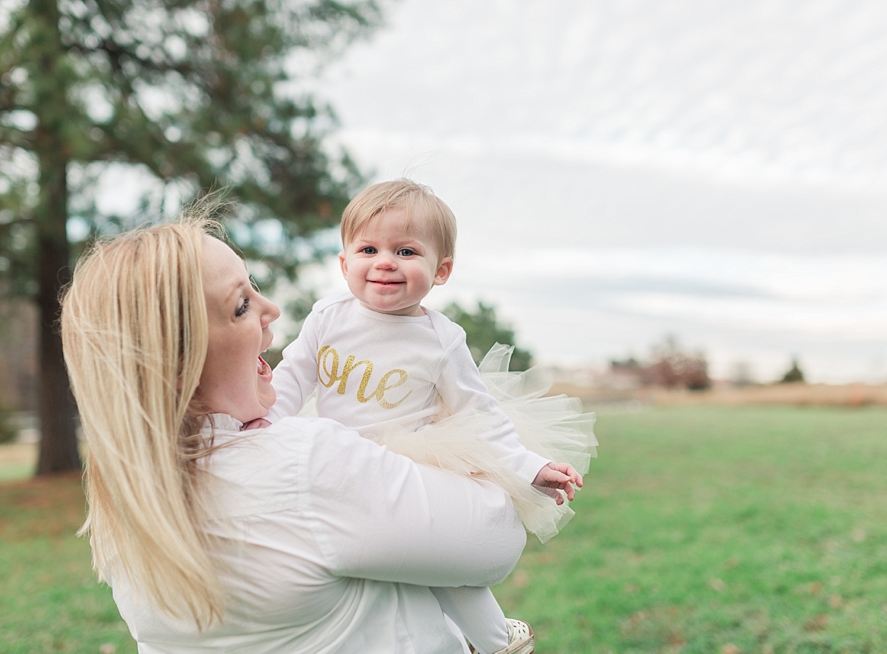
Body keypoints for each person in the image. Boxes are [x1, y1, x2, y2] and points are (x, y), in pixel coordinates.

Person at [60, 216, 530, 653]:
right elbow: (496, 539)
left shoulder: (128, 503)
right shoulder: (305, 464)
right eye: (241, 306)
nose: (272, 309)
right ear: (177, 365)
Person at [262, 179, 597, 654]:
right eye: (368, 248)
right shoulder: (327, 316)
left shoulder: (440, 338)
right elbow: (292, 377)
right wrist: (262, 425)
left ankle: (497, 641)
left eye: (405, 251)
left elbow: (480, 412)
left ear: (441, 270)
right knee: (363, 568)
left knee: (437, 560)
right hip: (336, 455)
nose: (384, 262)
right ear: (343, 263)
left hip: (410, 465)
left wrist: (529, 466)